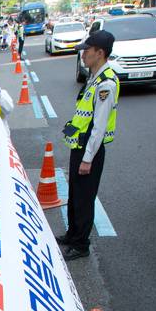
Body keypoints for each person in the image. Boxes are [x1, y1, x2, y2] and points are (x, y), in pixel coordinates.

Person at [59, 30, 119, 262]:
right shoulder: (94, 78)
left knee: (84, 198)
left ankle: (81, 244)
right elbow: (84, 116)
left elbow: (99, 126)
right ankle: (72, 234)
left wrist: (88, 158)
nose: (82, 54)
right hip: (79, 146)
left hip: (89, 150)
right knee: (75, 194)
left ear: (100, 53)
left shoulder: (106, 84)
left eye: (87, 50)